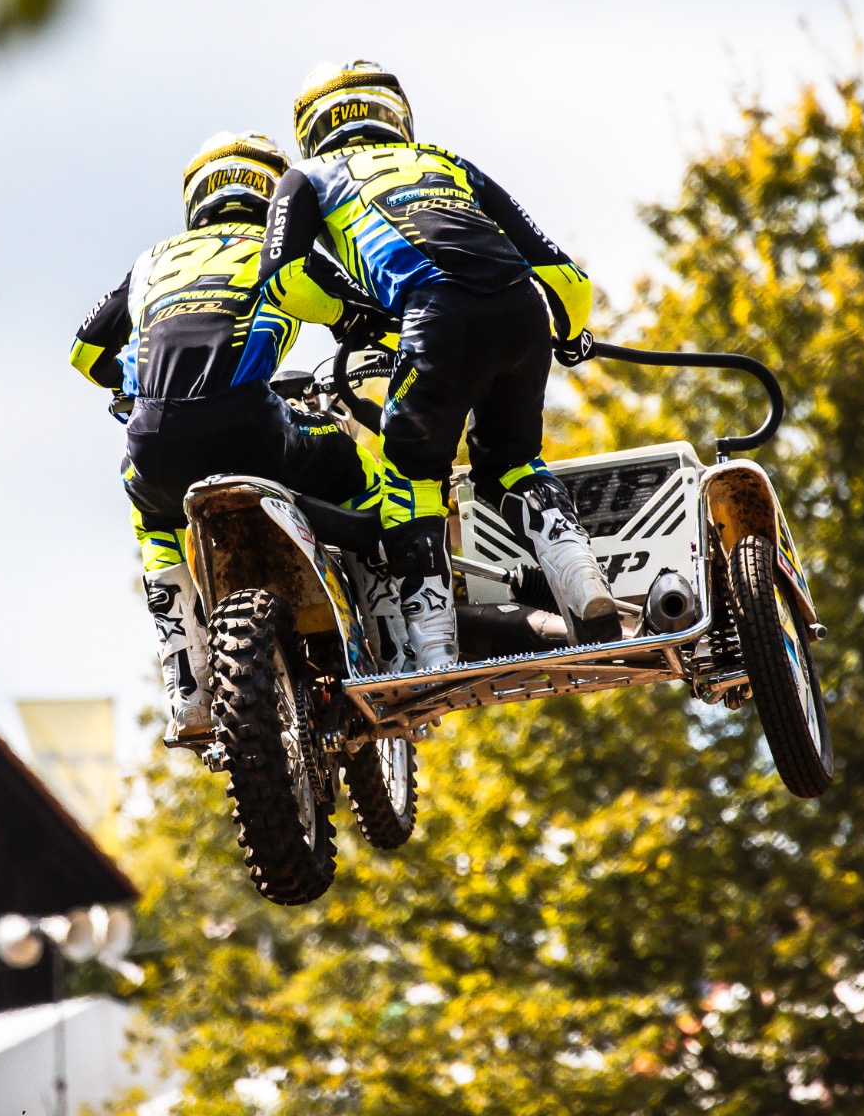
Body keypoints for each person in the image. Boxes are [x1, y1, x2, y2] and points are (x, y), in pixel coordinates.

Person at [256, 60, 619, 672]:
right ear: (396, 116)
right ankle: (581, 576)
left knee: (412, 480)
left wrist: (348, 317)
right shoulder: (445, 161)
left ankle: (433, 650)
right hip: (522, 311)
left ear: (310, 129)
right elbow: (566, 277)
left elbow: (284, 278)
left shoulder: (306, 177)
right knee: (510, 462)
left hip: (436, 316)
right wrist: (571, 335)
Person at [72, 131, 385, 738]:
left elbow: (85, 354)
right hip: (255, 430)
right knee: (363, 471)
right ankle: (394, 634)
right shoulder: (280, 246)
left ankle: (186, 684)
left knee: (149, 514)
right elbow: (367, 320)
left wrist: (139, 383)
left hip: (155, 442)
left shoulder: (151, 263)